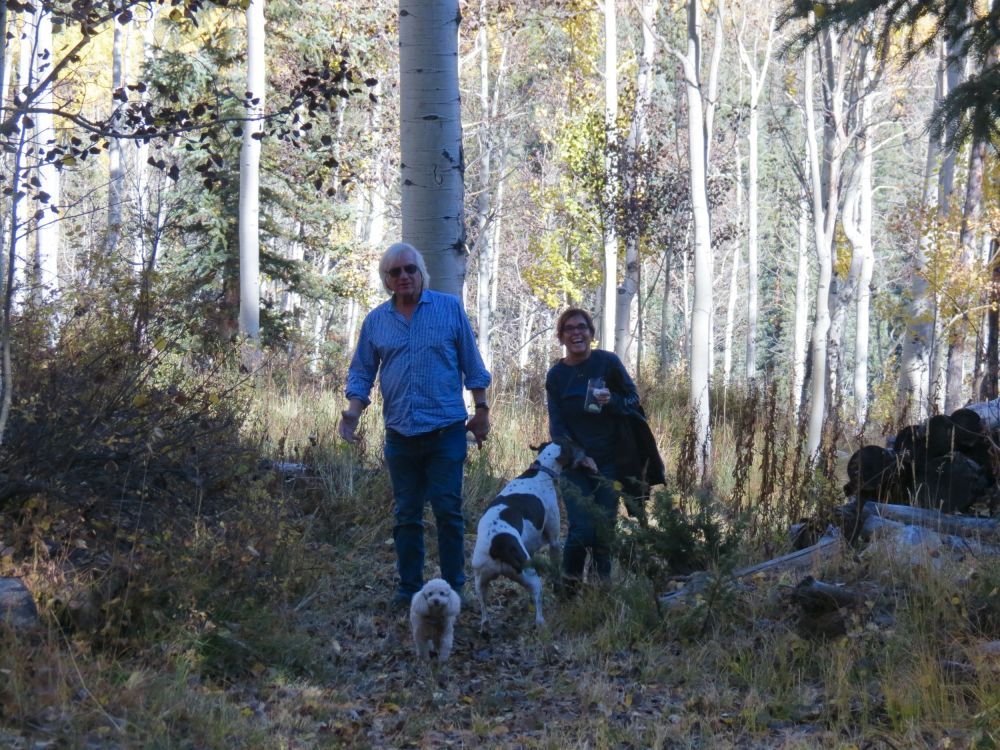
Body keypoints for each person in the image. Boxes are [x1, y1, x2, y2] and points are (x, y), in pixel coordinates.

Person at [339, 243, 491, 610]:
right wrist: (352, 413)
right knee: (406, 515)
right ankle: (409, 590)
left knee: (448, 511)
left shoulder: (449, 308)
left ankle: (455, 589)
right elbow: (362, 372)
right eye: (395, 273)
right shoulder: (376, 321)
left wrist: (482, 409)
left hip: (446, 432)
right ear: (387, 281)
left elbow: (472, 363)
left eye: (410, 269)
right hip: (401, 435)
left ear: (421, 272)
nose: (404, 276)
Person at [545, 307, 663, 592]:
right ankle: (569, 588)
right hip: (574, 464)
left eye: (582, 327)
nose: (577, 333)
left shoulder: (607, 362)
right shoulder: (556, 376)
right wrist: (580, 457)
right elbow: (557, 429)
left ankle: (602, 588)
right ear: (561, 337)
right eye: (570, 329)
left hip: (612, 461)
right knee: (581, 529)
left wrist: (611, 401)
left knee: (604, 529)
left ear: (591, 333)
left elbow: (633, 399)